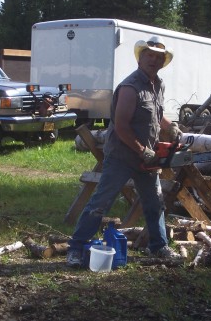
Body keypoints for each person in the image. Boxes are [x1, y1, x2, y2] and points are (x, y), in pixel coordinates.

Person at [67, 35, 183, 267]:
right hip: (122, 155)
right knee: (101, 202)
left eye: (158, 57)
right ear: (140, 58)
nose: (153, 60)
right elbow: (121, 126)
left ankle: (159, 247)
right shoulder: (130, 87)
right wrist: (143, 151)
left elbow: (156, 115)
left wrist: (172, 128)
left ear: (163, 62)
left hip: (146, 157)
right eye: (149, 55)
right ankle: (77, 248)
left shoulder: (157, 84)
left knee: (154, 202)